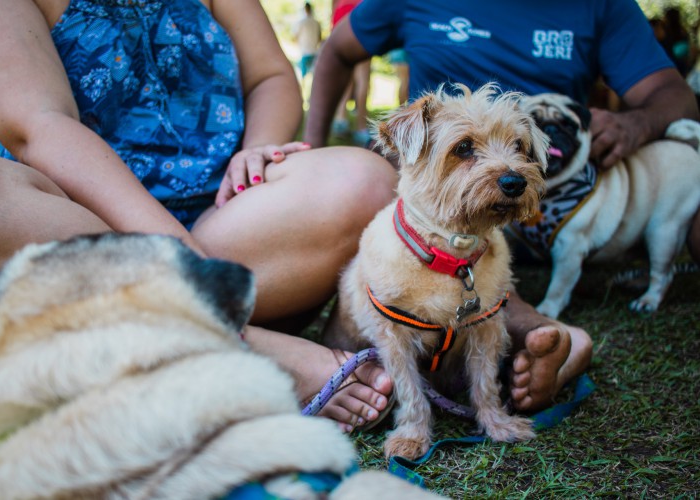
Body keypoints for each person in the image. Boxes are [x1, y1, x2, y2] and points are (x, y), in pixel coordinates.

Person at [0, 0, 398, 433]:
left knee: (367, 182)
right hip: (79, 245)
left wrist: (257, 149)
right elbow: (37, 127)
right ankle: (239, 347)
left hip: (223, 229)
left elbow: (270, 75)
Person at [305, 0, 700, 412]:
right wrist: (312, 153)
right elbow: (337, 49)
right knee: (409, 248)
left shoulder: (600, 5)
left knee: (483, 282)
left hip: (557, 209)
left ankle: (537, 342)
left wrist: (637, 123)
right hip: (431, 204)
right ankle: (540, 338)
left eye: (516, 146)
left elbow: (673, 95)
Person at [329, 0, 372, 145]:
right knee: (363, 78)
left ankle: (341, 120)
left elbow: (334, 5)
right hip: (361, 14)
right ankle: (361, 128)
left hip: (341, 16)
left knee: (345, 73)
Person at [293, 2, 322, 82]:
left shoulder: (301, 22)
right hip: (314, 51)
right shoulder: (316, 23)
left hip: (304, 51)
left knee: (303, 77)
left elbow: (295, 37)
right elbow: (320, 38)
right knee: (313, 76)